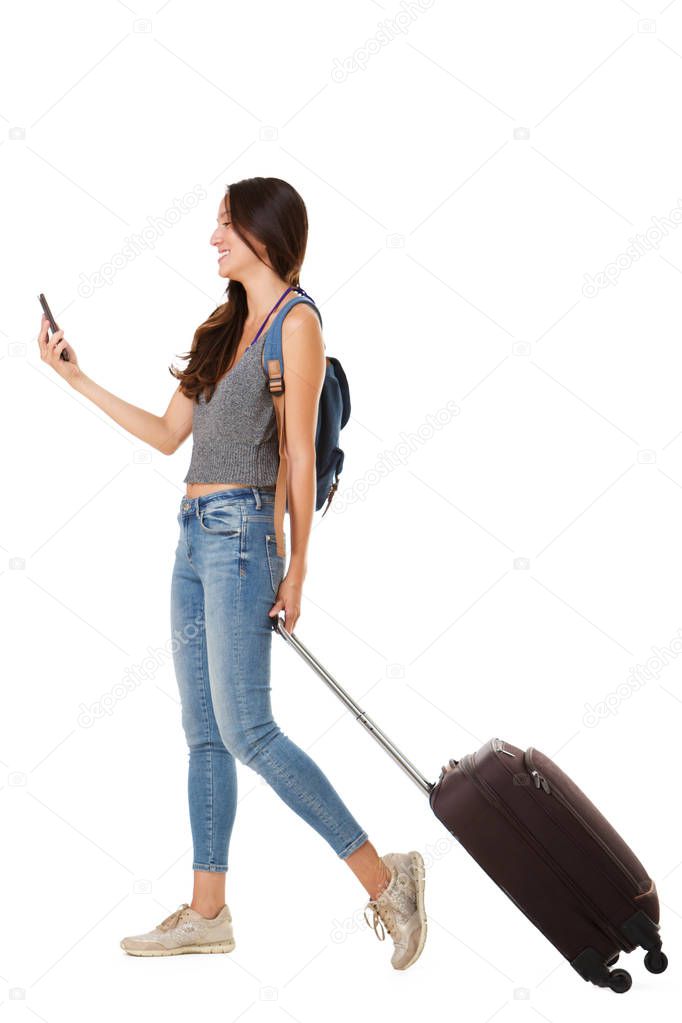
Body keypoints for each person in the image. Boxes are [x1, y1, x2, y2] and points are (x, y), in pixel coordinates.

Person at [37, 175, 427, 970]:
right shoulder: (222, 326)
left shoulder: (297, 323)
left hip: (246, 536)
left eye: (225, 227)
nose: (213, 240)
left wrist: (298, 567)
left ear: (263, 234)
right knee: (206, 733)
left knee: (250, 730)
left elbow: (297, 455)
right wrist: (74, 376)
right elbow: (166, 433)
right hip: (192, 535)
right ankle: (207, 912)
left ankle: (388, 879)